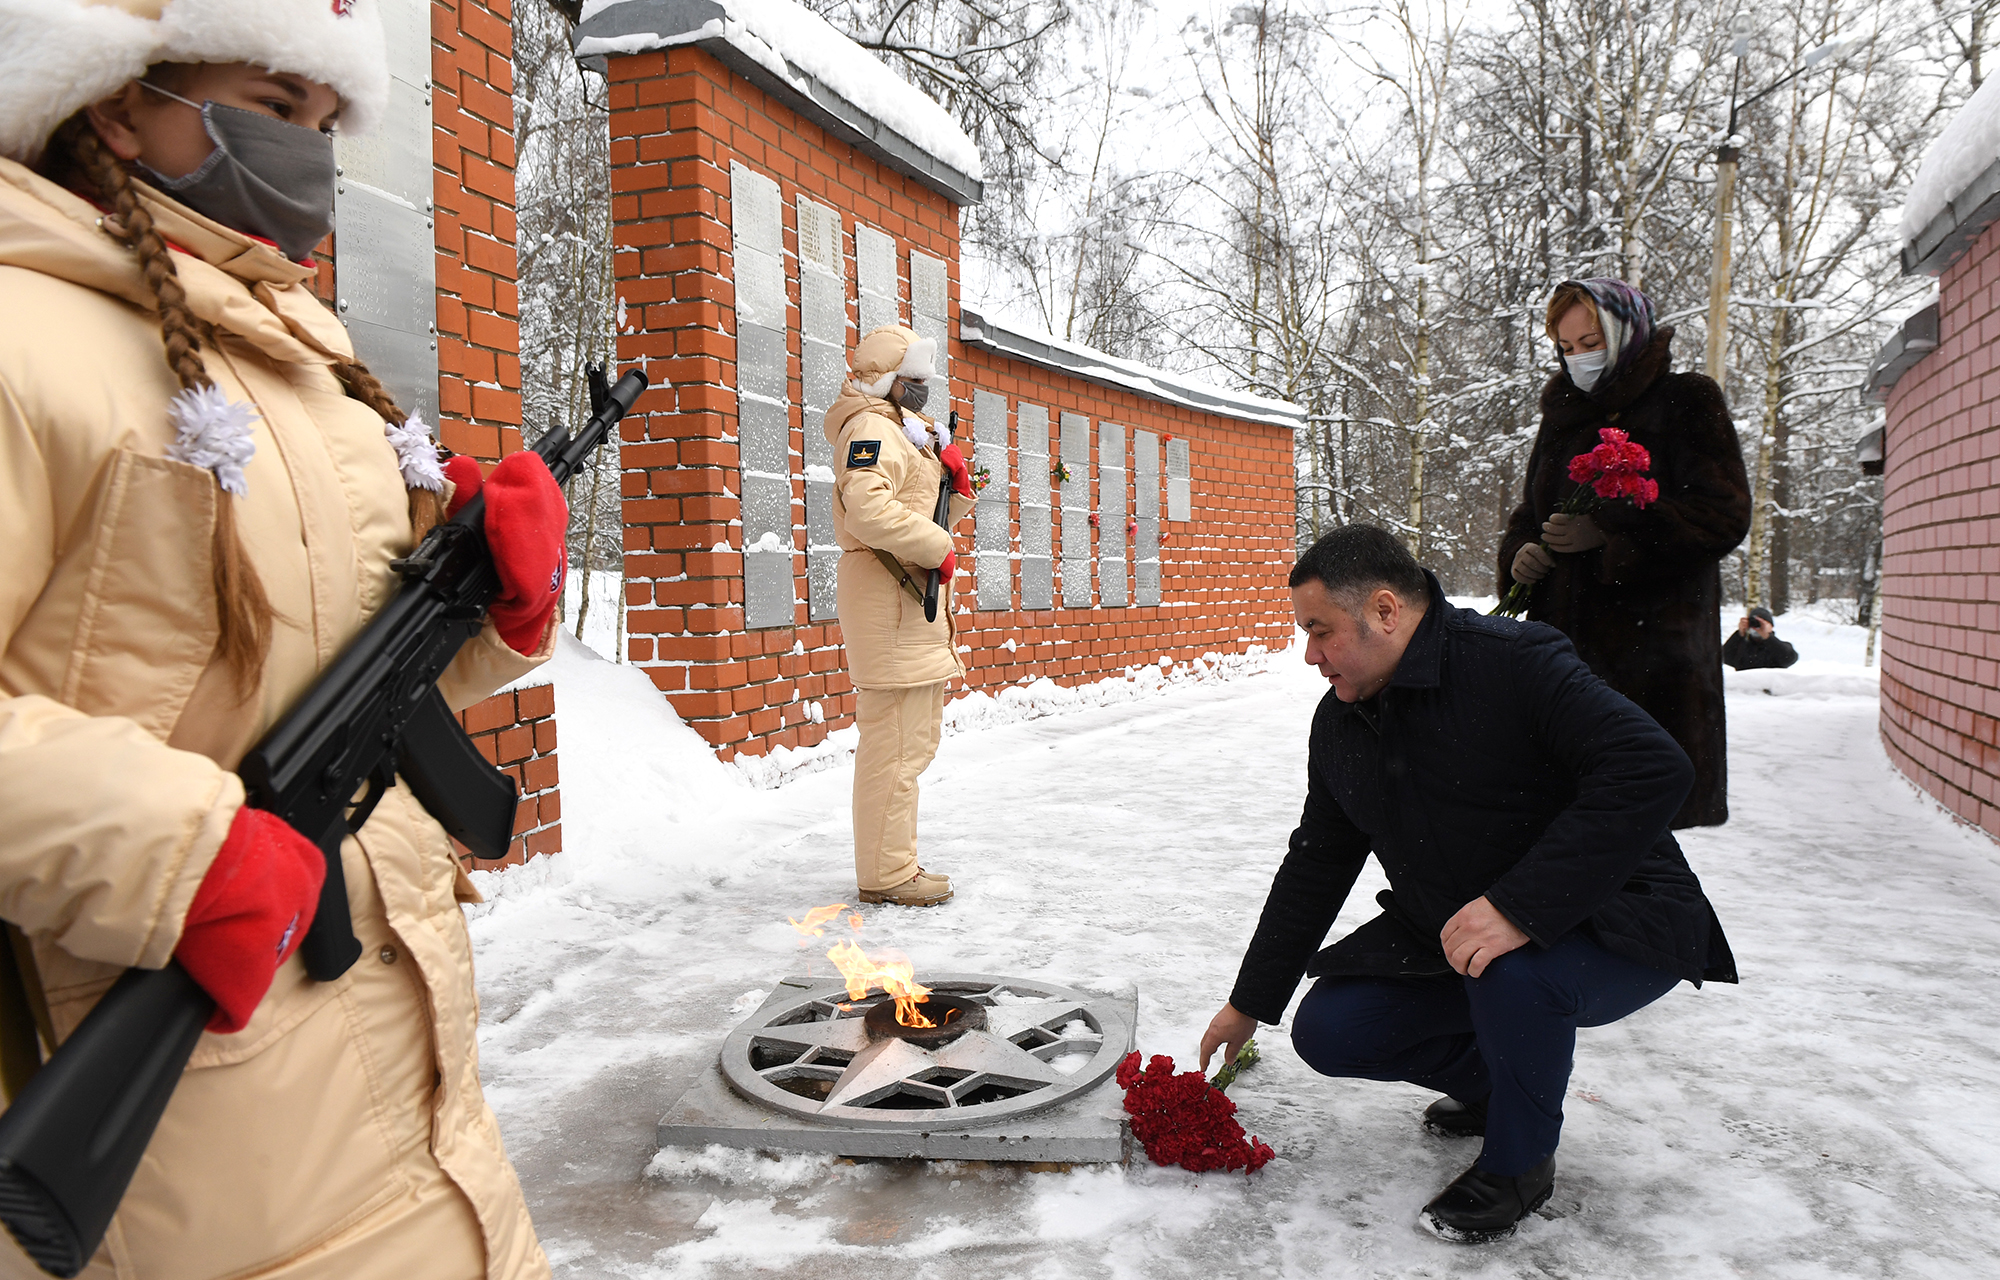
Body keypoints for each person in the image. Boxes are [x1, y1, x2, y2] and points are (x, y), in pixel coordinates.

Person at [0, 2, 562, 1275]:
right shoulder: (22, 338)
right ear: (116, 100)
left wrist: (488, 612)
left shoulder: (303, 357)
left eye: (321, 121)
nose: (305, 151)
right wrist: (178, 854)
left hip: (416, 1101)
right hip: (212, 1141)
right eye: (267, 103)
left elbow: (325, 677)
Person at [1201, 526, 1736, 1244]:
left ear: (1385, 611)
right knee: (1332, 1029)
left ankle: (1520, 1163)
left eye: (1320, 631)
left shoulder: (1514, 664)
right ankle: (1501, 1088)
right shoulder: (1342, 724)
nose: (1311, 655)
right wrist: (1249, 1001)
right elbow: (1317, 862)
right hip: (1462, 932)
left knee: (1511, 972)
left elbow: (1653, 768)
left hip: (1620, 919)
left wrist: (1520, 907)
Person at [1498, 278, 1749, 829]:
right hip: (1562, 662)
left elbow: (1723, 515)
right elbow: (1532, 510)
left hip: (1653, 662)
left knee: (1637, 838)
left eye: (1591, 341)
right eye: (1566, 348)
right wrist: (1521, 554)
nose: (1579, 359)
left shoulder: (1686, 400)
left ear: (1627, 334)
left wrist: (1614, 536)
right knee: (1562, 831)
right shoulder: (1563, 413)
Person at [824, 325, 974, 906]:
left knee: (912, 743)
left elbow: (916, 510)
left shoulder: (901, 430)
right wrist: (937, 548)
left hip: (903, 601)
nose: (923, 390)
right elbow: (866, 509)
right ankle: (887, 874)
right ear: (889, 379)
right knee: (895, 744)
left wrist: (954, 486)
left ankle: (896, 863)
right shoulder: (869, 429)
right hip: (888, 602)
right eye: (914, 380)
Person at [1722, 607, 1799, 671]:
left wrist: (1768, 638)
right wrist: (1739, 634)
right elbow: (1723, 657)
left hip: (1770, 687)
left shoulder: (1779, 647)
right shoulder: (1741, 646)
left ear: (1771, 627)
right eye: (1753, 623)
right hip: (1744, 686)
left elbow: (1789, 658)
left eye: (1762, 624)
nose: (1757, 628)